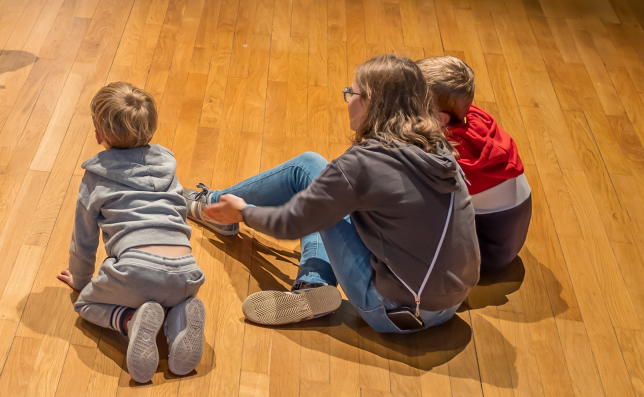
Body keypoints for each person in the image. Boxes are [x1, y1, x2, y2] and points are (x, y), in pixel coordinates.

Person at [187, 54, 480, 333]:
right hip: (451, 302)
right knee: (321, 182)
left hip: (396, 312)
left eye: (351, 93)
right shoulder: (436, 147)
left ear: (371, 104)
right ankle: (312, 284)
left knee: (309, 176)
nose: (348, 100)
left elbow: (291, 223)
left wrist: (243, 211)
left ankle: (214, 207)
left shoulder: (362, 165)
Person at [54, 83, 205, 383]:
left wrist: (81, 280)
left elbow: (83, 241)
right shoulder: (168, 168)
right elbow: (178, 210)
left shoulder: (96, 177)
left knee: (85, 303)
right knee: (167, 293)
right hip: (188, 274)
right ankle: (179, 316)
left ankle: (131, 320)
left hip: (136, 270)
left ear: (100, 134)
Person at [419, 56, 532, 275]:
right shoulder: (471, 117)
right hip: (505, 237)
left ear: (439, 118)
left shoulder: (448, 156)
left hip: (486, 252)